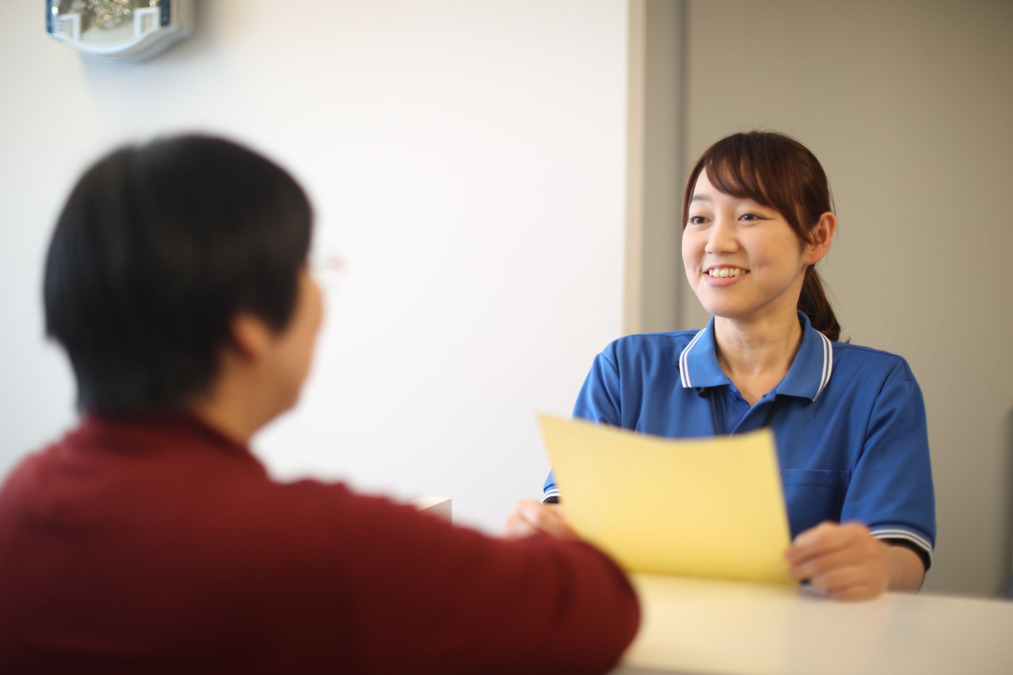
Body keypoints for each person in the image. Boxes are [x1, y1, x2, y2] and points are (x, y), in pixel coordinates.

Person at [0, 135, 639, 673]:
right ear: (247, 323)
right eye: (307, 265)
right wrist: (559, 545)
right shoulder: (322, 547)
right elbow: (602, 609)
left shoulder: (19, 502)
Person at [512, 131, 935, 602]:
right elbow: (569, 521)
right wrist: (544, 533)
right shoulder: (626, 370)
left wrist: (874, 564)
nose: (717, 242)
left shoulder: (878, 387)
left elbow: (903, 558)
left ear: (817, 237)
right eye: (699, 218)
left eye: (750, 215)